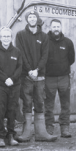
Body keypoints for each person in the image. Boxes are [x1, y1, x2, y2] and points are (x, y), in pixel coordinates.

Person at [15, 10, 57, 142]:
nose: (32, 19)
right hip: (26, 76)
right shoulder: (20, 35)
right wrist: (29, 70)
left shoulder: (44, 36)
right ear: (27, 19)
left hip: (40, 76)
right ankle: (26, 133)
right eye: (30, 17)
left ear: (37, 19)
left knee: (40, 102)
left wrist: (37, 69)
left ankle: (41, 133)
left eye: (34, 17)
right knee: (27, 103)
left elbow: (45, 55)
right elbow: (20, 53)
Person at [0, 27, 22, 147]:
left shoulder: (17, 52)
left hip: (14, 85)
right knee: (0, 110)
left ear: (11, 37)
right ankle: (0, 137)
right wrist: (5, 79)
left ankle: (11, 135)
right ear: (0, 37)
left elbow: (19, 68)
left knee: (12, 110)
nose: (6, 38)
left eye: (8, 36)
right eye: (4, 36)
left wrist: (12, 79)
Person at [44, 19, 75, 137]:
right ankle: (49, 127)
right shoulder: (45, 41)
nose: (56, 29)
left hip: (64, 78)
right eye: (54, 27)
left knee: (65, 104)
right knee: (48, 105)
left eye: (58, 26)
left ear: (61, 28)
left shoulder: (68, 42)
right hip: (49, 78)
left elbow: (71, 59)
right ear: (50, 28)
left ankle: (65, 128)